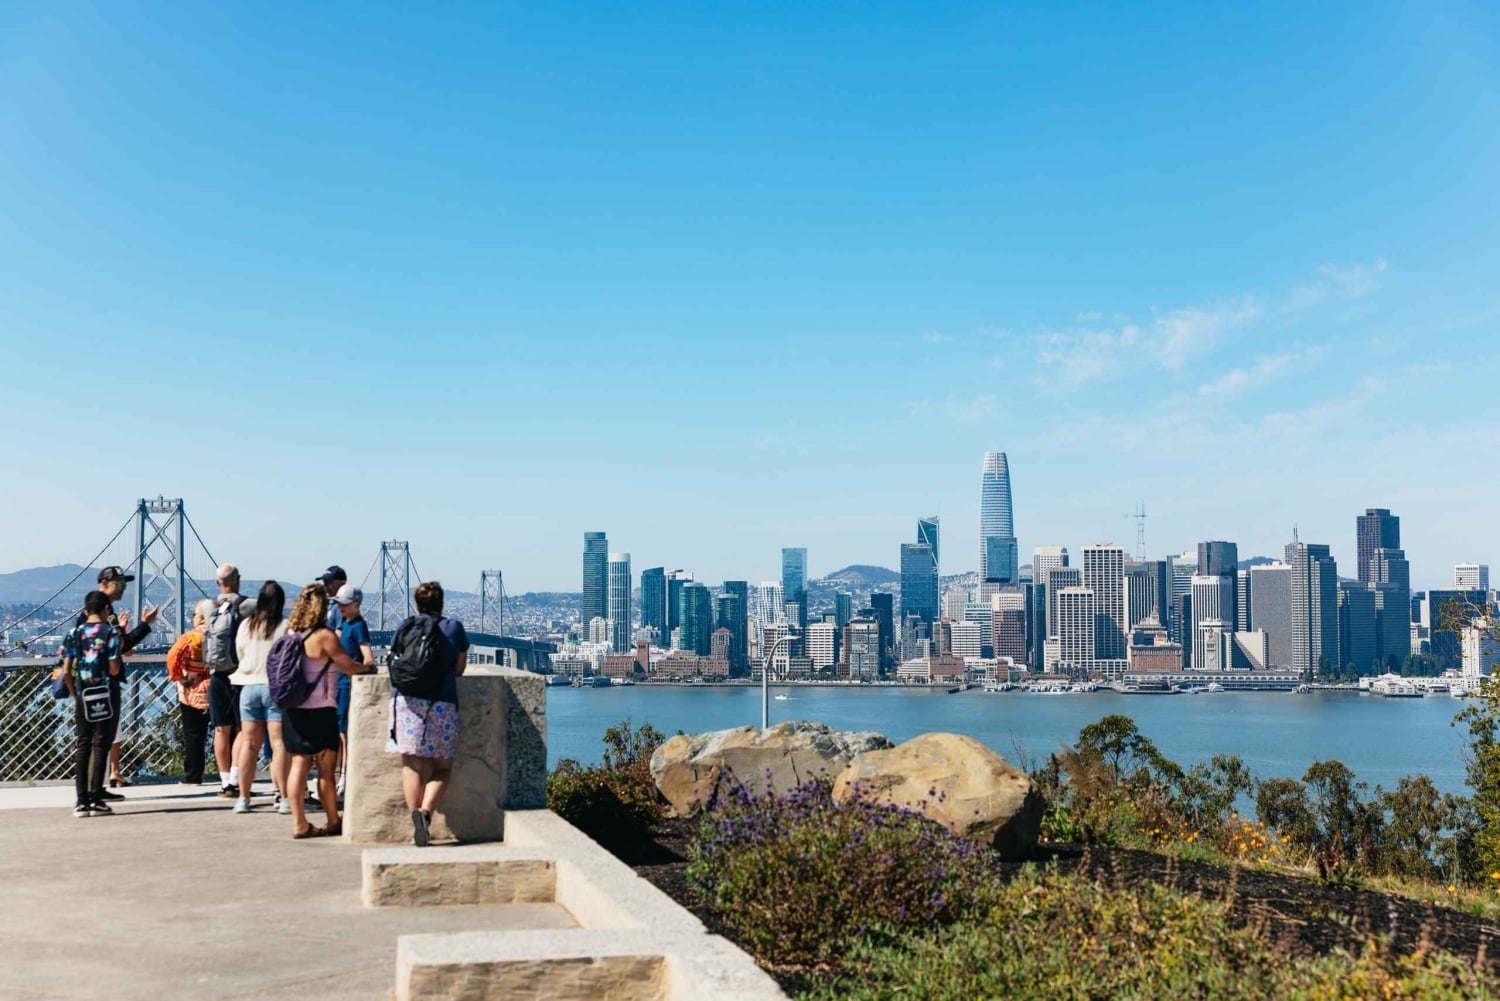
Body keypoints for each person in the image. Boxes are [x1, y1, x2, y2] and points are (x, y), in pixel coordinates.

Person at [282, 583, 369, 839]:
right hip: (321, 710)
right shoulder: (324, 636)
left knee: (299, 764)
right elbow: (349, 666)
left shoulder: (290, 632)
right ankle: (332, 820)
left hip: (292, 708)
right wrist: (367, 668)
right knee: (325, 769)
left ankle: (299, 823)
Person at [388, 581, 468, 847]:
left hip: (406, 703)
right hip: (441, 703)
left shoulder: (404, 626)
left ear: (417, 604)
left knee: (411, 764)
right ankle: (425, 813)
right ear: (442, 603)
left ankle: (415, 819)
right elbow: (459, 669)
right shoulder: (453, 628)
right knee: (442, 767)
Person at [89, 566, 159, 795]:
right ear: (104, 583)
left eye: (124, 583)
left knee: (109, 734)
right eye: (118, 583)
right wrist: (145, 625)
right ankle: (91, 791)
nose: (122, 587)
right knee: (97, 738)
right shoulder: (95, 613)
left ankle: (103, 782)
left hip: (102, 682)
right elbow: (123, 646)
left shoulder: (109, 614)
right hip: (100, 683)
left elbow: (122, 646)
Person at [229, 581, 289, 815]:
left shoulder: (246, 625)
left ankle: (243, 798)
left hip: (248, 687)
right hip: (274, 688)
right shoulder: (285, 626)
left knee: (249, 744)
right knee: (279, 745)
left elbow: (239, 652)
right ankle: (283, 798)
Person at [63, 591, 124, 817]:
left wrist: (74, 694)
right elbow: (115, 668)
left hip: (83, 693)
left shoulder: (74, 633)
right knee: (101, 744)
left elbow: (67, 670)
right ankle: (97, 798)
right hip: (106, 694)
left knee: (83, 744)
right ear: (107, 609)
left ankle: (81, 801)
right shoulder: (111, 633)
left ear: (86, 611)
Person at [205, 564, 253, 799]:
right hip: (240, 675)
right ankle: (236, 778)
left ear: (217, 583)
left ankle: (224, 782)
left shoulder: (207, 606)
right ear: (238, 579)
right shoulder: (248, 606)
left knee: (220, 730)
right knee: (243, 729)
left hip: (216, 675)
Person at [165, 599, 215, 786]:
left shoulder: (191, 638)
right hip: (219, 689)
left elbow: (173, 657)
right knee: (226, 733)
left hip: (194, 693)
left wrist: (179, 677)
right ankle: (230, 776)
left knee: (194, 735)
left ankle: (194, 775)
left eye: (195, 614)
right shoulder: (222, 635)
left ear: (200, 616)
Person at [332, 583, 373, 797]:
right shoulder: (344, 622)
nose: (340, 607)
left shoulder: (358, 626)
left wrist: (363, 668)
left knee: (345, 735)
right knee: (339, 734)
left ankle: (345, 778)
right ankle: (341, 776)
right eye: (339, 603)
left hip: (347, 686)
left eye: (345, 604)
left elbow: (368, 658)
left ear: (357, 604)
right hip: (337, 684)